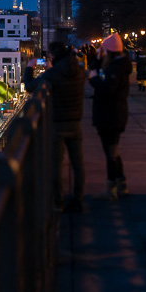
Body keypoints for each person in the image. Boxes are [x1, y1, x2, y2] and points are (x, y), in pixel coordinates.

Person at [39, 40, 88, 212]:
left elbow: (31, 86)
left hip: (57, 124)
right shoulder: (80, 71)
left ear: (52, 56)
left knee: (56, 165)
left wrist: (30, 68)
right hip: (76, 123)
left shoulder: (52, 75)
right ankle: (78, 200)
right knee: (78, 164)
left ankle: (58, 202)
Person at [90, 34, 132, 199]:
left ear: (110, 51)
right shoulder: (117, 65)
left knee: (111, 153)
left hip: (111, 115)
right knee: (112, 151)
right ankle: (121, 185)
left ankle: (111, 188)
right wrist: (99, 60)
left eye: (104, 49)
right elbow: (98, 70)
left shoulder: (116, 68)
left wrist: (93, 81)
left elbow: (108, 89)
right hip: (112, 114)